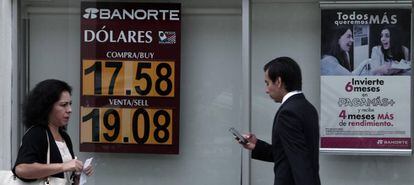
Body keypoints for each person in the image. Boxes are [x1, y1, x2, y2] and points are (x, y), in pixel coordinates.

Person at [237, 57, 320, 185]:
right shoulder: (308, 108)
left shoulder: (288, 113)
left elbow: (300, 162)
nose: (266, 89)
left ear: (279, 81)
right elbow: (289, 154)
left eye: (267, 83)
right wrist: (257, 145)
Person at [13, 79, 93, 184]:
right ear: (47, 107)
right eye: (63, 105)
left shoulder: (64, 136)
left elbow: (64, 178)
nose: (69, 109)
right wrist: (63, 166)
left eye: (70, 104)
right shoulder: (37, 133)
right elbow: (21, 169)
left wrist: (79, 173)